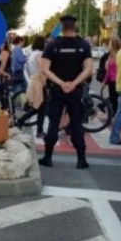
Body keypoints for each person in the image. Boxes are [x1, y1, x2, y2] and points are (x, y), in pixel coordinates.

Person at [38, 15, 93, 169]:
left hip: (57, 90)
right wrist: (74, 83)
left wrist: (61, 83)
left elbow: (45, 69)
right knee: (76, 124)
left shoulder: (52, 45)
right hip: (75, 91)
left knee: (53, 123)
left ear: (61, 27)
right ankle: (81, 160)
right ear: (74, 27)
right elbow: (89, 69)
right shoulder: (83, 45)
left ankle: (47, 158)